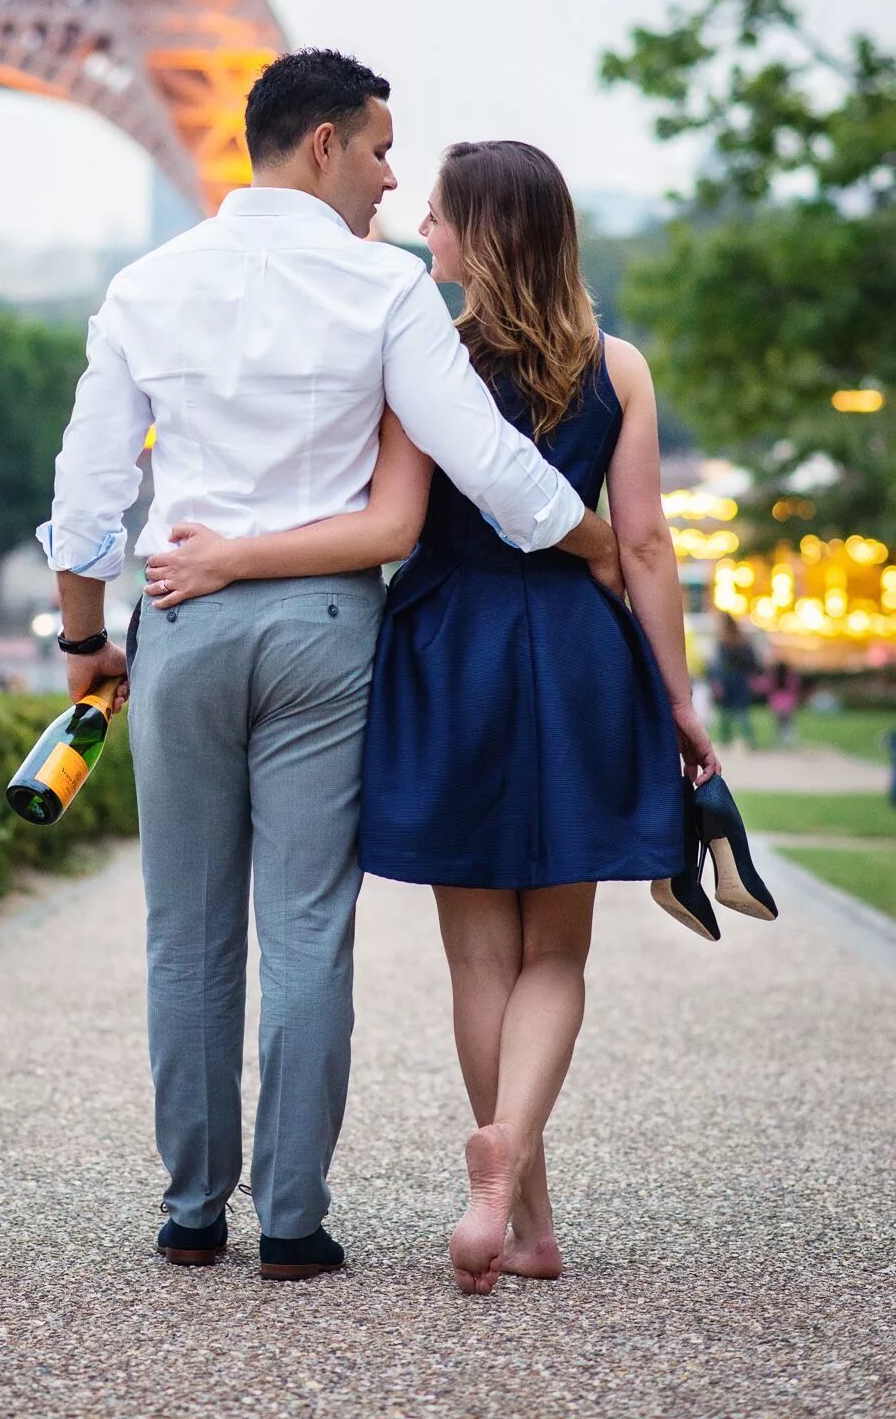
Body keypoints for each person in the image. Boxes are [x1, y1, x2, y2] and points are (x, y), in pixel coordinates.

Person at [37, 52, 622, 1283]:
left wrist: (83, 641)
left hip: (182, 609)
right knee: (305, 925)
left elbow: (88, 497)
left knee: (182, 929)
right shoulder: (384, 287)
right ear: (319, 145)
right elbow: (488, 467)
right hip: (321, 625)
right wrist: (605, 543)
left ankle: (194, 1206)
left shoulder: (143, 284)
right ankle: (292, 1220)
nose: (391, 175)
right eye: (376, 148)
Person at [145, 139, 717, 1293]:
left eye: (442, 216)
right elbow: (644, 543)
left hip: (448, 651)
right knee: (556, 948)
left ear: (482, 236)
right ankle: (512, 1184)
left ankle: (516, 1199)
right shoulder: (620, 367)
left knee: (478, 956)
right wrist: (677, 695)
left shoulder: (425, 356)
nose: (422, 228)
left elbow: (393, 516)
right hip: (571, 651)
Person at [712, 613, 762, 748]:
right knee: (742, 711)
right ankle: (749, 740)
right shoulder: (743, 640)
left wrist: (716, 681)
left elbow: (717, 665)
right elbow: (754, 662)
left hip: (728, 679)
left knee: (726, 712)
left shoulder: (722, 641)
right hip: (741, 680)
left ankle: (725, 740)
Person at [766, 659, 803, 747]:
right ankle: (791, 741)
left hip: (776, 705)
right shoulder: (791, 678)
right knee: (789, 724)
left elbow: (763, 686)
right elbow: (796, 688)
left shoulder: (773, 678)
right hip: (789, 705)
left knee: (779, 725)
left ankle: (779, 742)